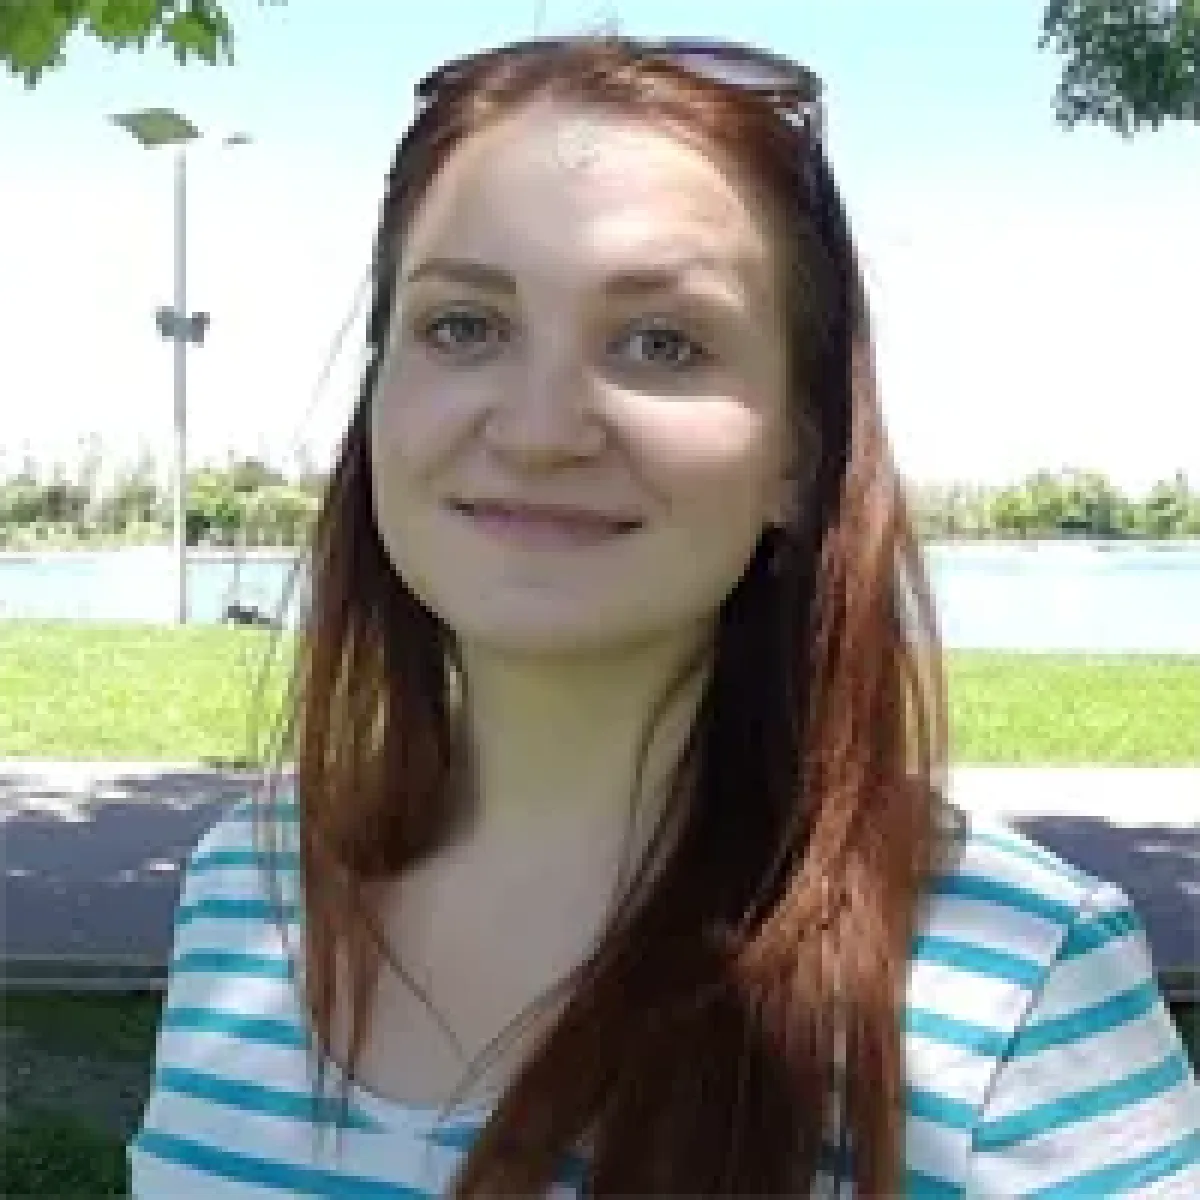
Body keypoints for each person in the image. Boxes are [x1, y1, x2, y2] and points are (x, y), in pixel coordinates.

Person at [128, 36, 1199, 1197]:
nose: (541, 429)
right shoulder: (246, 889)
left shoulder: (1019, 984)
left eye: (662, 343)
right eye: (464, 326)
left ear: (798, 455)